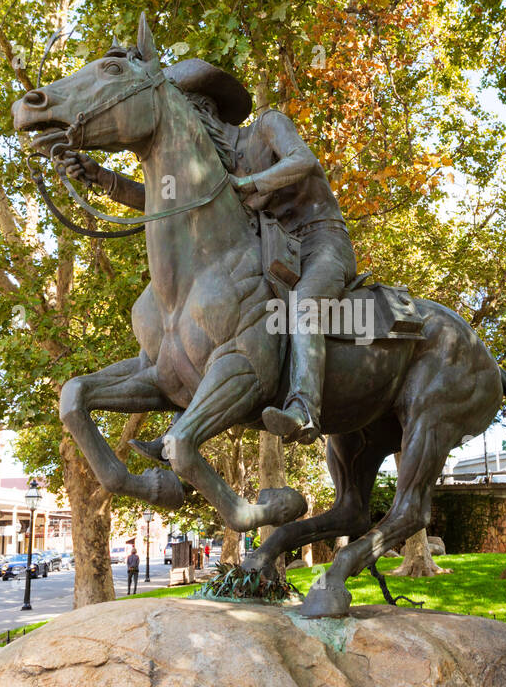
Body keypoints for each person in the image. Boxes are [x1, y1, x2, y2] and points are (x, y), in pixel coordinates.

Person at [59, 55, 356, 447]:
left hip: (319, 239)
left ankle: (303, 409)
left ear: (199, 110)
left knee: (304, 304)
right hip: (268, 245)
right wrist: (104, 178)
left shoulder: (266, 127)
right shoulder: (207, 165)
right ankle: (185, 415)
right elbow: (165, 201)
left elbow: (303, 160)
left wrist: (250, 182)